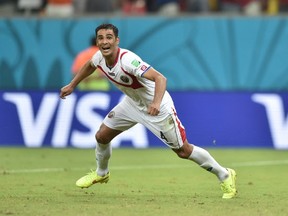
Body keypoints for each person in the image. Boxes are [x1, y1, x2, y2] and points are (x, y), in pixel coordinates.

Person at [60, 23, 237, 199]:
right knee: (102, 136)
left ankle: (225, 174)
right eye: (101, 38)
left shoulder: (128, 60)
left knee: (183, 151)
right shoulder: (99, 57)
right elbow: (90, 65)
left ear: (117, 41)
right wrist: (72, 85)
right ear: (97, 42)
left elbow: (160, 78)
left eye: (109, 37)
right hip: (132, 104)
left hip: (157, 108)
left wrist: (156, 103)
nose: (104, 42)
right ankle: (101, 173)